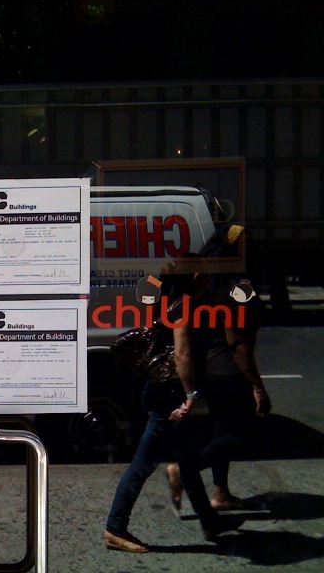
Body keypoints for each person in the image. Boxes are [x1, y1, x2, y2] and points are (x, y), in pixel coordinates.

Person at [103, 256, 243, 552]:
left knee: (188, 460)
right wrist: (191, 396)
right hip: (169, 398)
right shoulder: (185, 306)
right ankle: (115, 528)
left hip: (162, 392)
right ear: (196, 278)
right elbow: (183, 354)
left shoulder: (168, 301)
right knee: (142, 465)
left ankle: (209, 520)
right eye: (206, 275)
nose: (210, 280)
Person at [166, 224, 272, 512]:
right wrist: (258, 386)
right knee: (240, 434)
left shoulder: (206, 281)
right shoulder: (237, 287)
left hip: (207, 369)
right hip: (229, 372)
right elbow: (237, 342)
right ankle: (183, 470)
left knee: (220, 431)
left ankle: (220, 494)